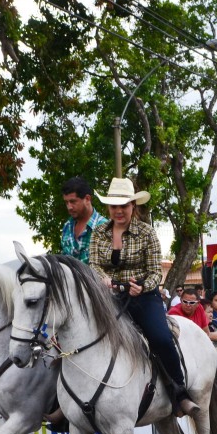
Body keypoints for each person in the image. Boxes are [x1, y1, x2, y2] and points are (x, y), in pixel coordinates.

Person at [88, 177, 198, 418]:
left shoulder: (146, 232)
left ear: (132, 206)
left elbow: (155, 271)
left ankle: (180, 392)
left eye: (124, 206)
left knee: (160, 338)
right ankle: (71, 403)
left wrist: (143, 287)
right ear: (108, 208)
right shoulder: (98, 233)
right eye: (114, 206)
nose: (119, 211)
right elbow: (94, 264)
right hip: (108, 299)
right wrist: (103, 278)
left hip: (143, 297)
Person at [60, 176, 108, 265]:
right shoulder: (67, 226)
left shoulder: (104, 227)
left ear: (87, 199)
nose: (69, 207)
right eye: (66, 202)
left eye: (73, 201)